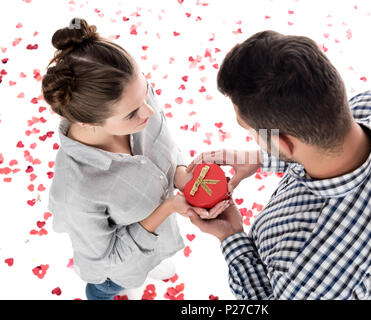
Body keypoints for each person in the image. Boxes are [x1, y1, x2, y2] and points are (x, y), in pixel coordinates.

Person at [186, 30, 371, 299]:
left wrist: (232, 234)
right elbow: (322, 136)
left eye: (249, 130)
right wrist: (257, 158)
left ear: (283, 144)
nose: (254, 139)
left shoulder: (308, 272)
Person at [42, 18, 230, 300]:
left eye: (146, 93)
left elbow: (166, 148)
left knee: (148, 261)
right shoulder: (76, 191)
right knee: (105, 290)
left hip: (154, 245)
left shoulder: (134, 100)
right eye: (132, 114)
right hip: (116, 273)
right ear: (83, 121)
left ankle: (151, 263)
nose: (148, 113)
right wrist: (167, 208)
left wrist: (181, 175)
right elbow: (108, 258)